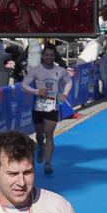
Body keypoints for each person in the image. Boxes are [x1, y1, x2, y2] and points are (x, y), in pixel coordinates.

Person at [21, 45, 72, 175]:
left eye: (51, 55)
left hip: (53, 105)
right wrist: (37, 91)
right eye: (47, 55)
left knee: (49, 134)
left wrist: (65, 94)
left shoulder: (60, 70)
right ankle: (40, 147)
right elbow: (24, 85)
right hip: (38, 105)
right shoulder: (35, 70)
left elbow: (69, 82)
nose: (49, 57)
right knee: (39, 134)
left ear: (54, 57)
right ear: (43, 56)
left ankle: (48, 163)